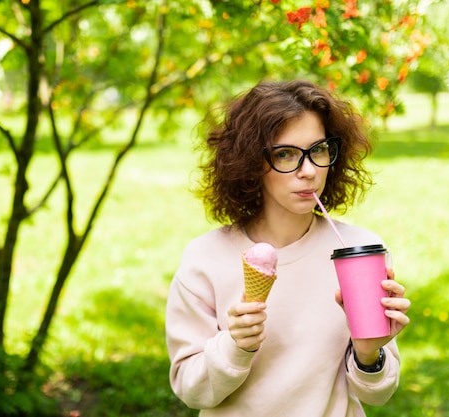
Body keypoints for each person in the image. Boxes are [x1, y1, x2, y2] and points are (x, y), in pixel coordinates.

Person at [165, 79, 411, 416]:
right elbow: (191, 391)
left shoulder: (361, 250)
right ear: (251, 163)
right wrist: (235, 346)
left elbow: (378, 395)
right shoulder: (205, 258)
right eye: (285, 154)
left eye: (319, 150)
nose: (309, 171)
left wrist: (369, 355)